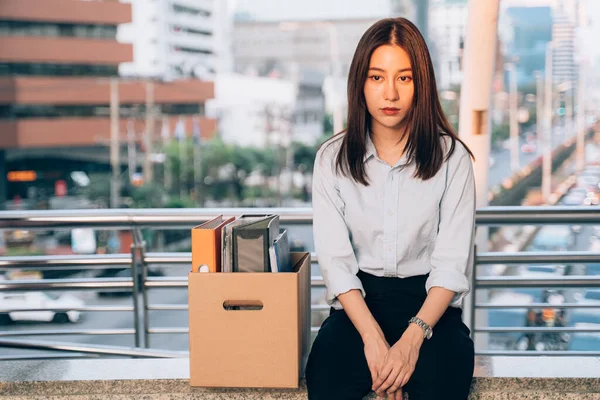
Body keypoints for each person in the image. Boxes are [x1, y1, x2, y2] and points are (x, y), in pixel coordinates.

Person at [306, 18, 476, 400]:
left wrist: (410, 343)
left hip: (431, 310)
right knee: (325, 379)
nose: (390, 94)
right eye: (377, 77)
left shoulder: (453, 159)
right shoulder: (330, 159)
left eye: (405, 78)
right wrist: (374, 342)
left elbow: (450, 264)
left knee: (441, 386)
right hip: (359, 306)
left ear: (422, 85)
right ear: (360, 84)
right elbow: (335, 262)